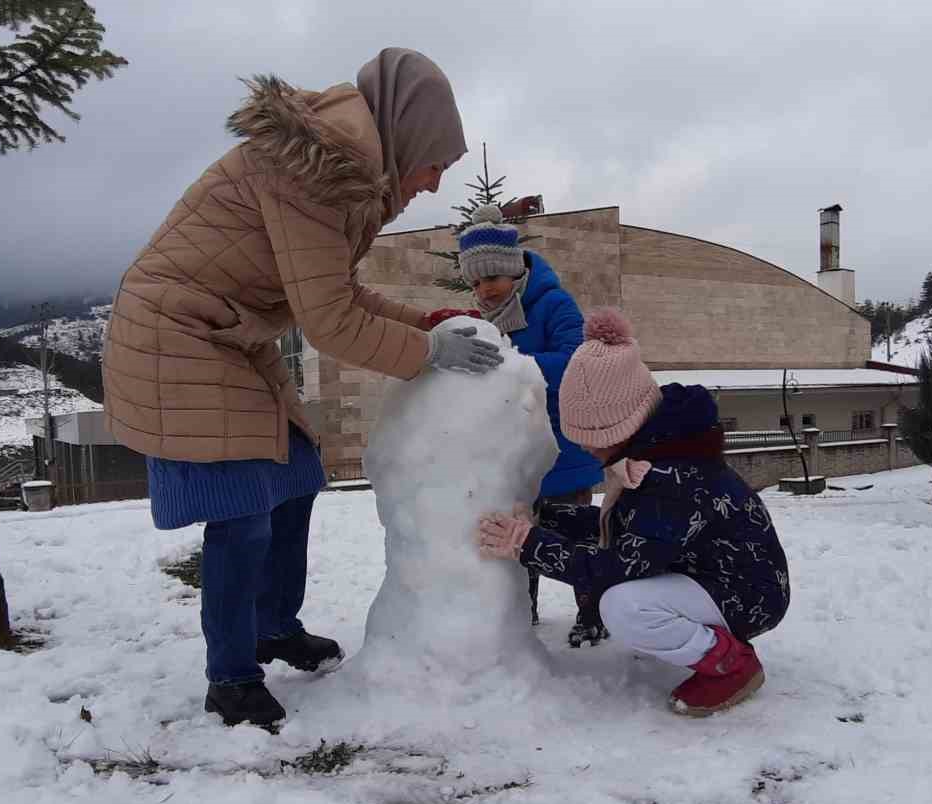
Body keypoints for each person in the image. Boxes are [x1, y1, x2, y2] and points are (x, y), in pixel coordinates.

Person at [102, 49, 501, 730]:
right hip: (179, 338)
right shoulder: (313, 173)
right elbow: (331, 322)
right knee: (242, 509)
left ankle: (271, 626)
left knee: (296, 477)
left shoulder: (341, 175)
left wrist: (423, 321)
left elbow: (335, 290)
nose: (433, 183)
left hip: (230, 335)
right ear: (408, 139)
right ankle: (231, 677)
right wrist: (429, 351)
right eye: (435, 162)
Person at [475, 308, 791, 716]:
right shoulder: (658, 453)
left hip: (749, 596)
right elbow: (626, 531)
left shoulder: (671, 483)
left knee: (623, 605)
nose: (587, 449)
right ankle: (711, 641)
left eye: (592, 439)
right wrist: (547, 518)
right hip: (714, 576)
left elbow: (614, 566)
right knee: (626, 592)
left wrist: (527, 544)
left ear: (621, 428)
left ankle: (731, 665)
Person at [422, 205, 608, 647]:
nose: (482, 290)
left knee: (575, 533)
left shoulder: (554, 304)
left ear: (512, 271)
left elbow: (575, 362)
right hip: (515, 453)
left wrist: (509, 367)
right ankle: (524, 611)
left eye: (490, 279)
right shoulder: (488, 318)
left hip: (564, 445)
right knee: (521, 536)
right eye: (475, 282)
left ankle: (592, 610)